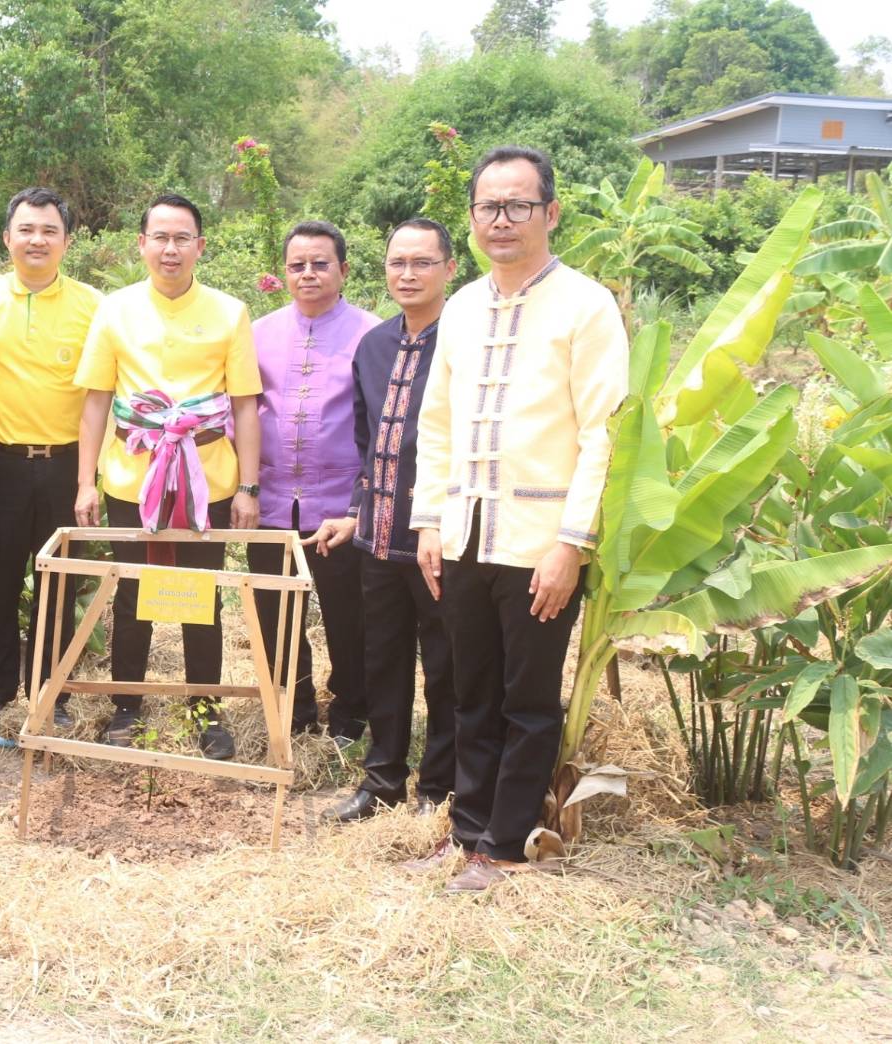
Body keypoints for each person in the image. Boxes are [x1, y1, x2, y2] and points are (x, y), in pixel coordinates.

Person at [402, 146, 628, 892]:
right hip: (464, 533)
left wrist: (573, 544)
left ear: (549, 213)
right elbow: (436, 424)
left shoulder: (586, 305)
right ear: (472, 218)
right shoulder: (463, 306)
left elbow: (603, 434)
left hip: (541, 543)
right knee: (470, 692)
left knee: (526, 702)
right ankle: (467, 831)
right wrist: (428, 522)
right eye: (488, 207)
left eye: (518, 205)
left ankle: (504, 845)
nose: (501, 220)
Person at [74, 193, 263, 759]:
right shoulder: (115, 310)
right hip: (132, 478)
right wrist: (86, 482)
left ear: (200, 246)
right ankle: (126, 705)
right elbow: (96, 401)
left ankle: (205, 707)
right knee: (132, 591)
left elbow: (245, 405)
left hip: (209, 479)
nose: (171, 249)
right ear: (142, 244)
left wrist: (248, 487)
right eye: (160, 237)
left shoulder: (230, 312)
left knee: (201, 595)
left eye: (182, 238)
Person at [311, 217, 459, 822]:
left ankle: (439, 789)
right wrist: (355, 513)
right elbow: (368, 446)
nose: (408, 274)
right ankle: (382, 782)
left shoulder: (465, 342)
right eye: (398, 262)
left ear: (450, 268)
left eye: (422, 262)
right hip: (376, 536)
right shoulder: (373, 345)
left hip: (442, 539)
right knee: (384, 662)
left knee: (446, 667)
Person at [0, 188, 102, 737]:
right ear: (7, 238)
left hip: (69, 466)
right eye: (26, 229)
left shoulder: (94, 306)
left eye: (49, 230)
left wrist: (90, 478)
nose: (37, 240)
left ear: (67, 241)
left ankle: (53, 694)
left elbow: (105, 394)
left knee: (60, 584)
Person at [247, 220, 377, 741]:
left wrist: (364, 501)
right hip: (270, 501)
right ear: (283, 272)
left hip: (342, 506)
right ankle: (294, 712)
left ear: (343, 269)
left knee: (349, 616)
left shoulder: (372, 334)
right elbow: (242, 411)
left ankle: (350, 712)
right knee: (275, 613)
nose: (308, 274)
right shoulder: (257, 333)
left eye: (320, 264)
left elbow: (380, 424)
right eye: (297, 265)